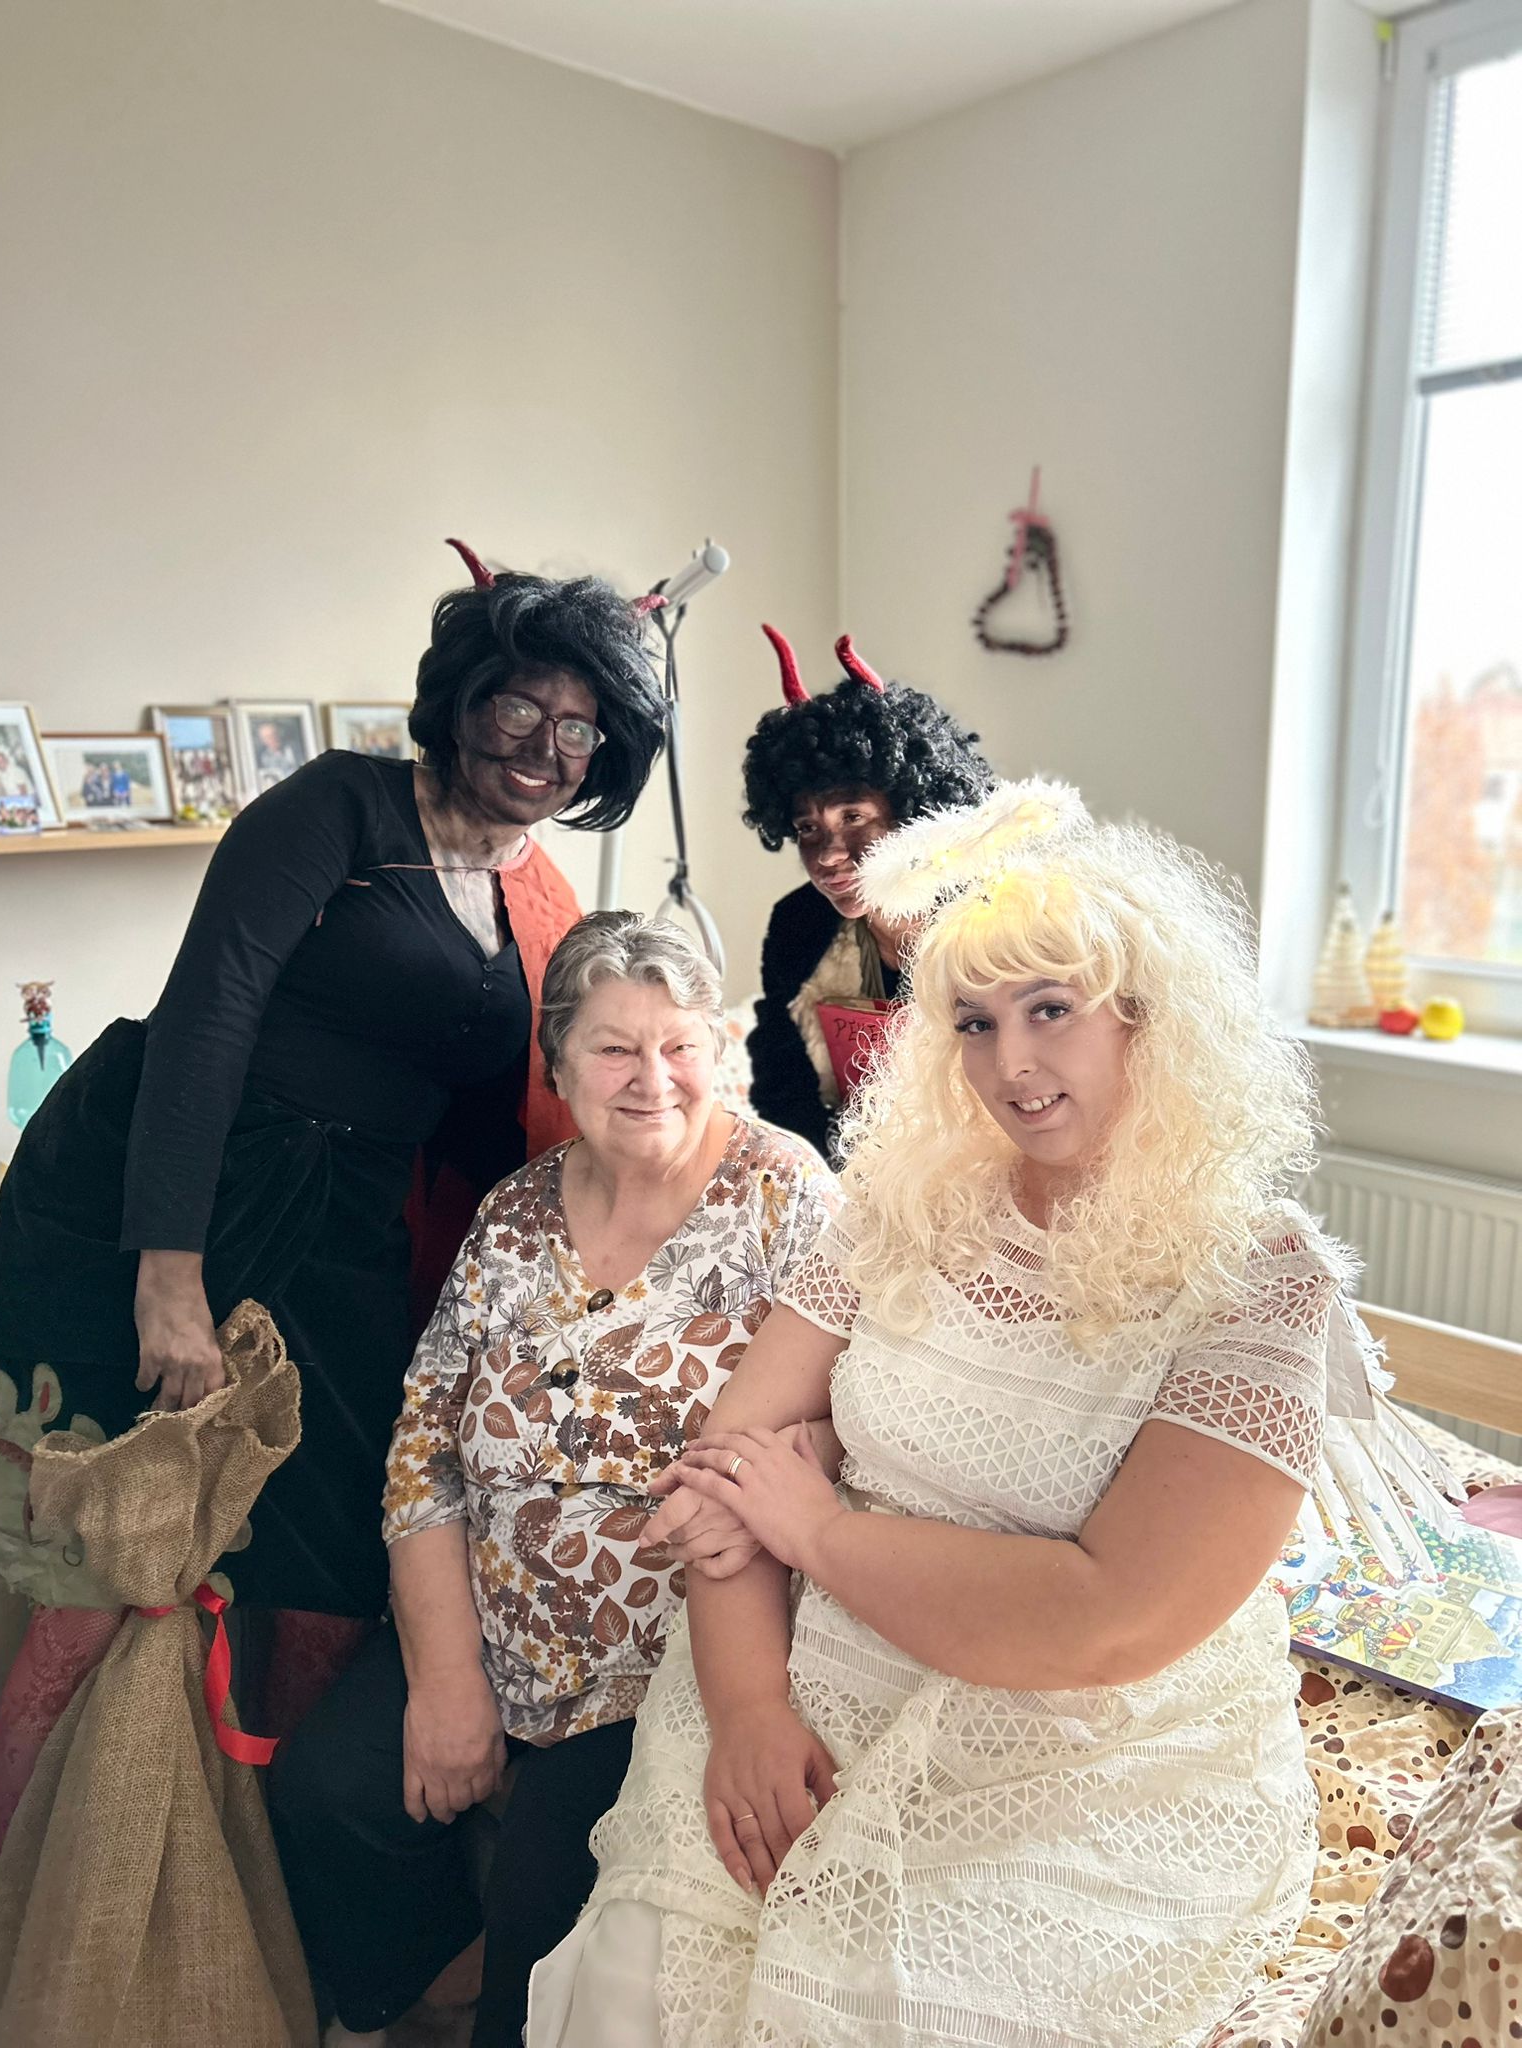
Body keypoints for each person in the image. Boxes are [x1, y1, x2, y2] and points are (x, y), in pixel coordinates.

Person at [530, 780, 1453, 2048]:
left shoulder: (1257, 1276)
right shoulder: (903, 1201)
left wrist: (816, 1522)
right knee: (641, 1977)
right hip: (805, 1677)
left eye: (1050, 1009)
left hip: (1079, 1752)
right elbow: (725, 1467)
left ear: (1146, 1016)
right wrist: (746, 1709)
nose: (1010, 1062)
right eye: (973, 1021)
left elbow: (1106, 1614)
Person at [0, 544, 666, 1870]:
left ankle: (263, 1888)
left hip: (348, 1230)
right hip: (195, 1191)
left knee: (333, 1572)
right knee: (110, 1575)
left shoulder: (528, 891)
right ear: (461, 700)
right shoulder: (339, 808)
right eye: (517, 707)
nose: (543, 747)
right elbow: (204, 1021)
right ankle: (20, 1890)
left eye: (579, 727)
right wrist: (167, 1275)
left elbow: (498, 1118)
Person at [269, 911, 840, 2048]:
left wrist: (790, 1461)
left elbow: (855, 1416)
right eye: (614, 1048)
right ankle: (432, 1982)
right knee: (324, 1794)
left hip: (662, 1662)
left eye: (679, 1045)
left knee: (543, 1926)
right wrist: (447, 1678)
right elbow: (425, 1447)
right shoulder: (515, 1213)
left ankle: (490, 1996)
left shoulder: (788, 1196)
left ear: (721, 1049)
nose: (652, 1078)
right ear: (559, 1064)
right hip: (490, 1623)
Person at [742, 625, 994, 1158]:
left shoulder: (996, 915)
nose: (828, 854)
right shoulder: (797, 925)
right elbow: (783, 1087)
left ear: (913, 811)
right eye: (807, 828)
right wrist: (838, 1179)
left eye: (853, 817)